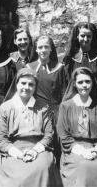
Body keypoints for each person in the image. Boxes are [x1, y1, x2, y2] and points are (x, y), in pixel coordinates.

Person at [0, 68, 58, 187]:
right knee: (16, 175)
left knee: (42, 167)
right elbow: (1, 140)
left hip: (38, 149)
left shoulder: (43, 107)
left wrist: (35, 150)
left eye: (31, 84)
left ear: (35, 87)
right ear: (16, 84)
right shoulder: (5, 108)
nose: (26, 87)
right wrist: (18, 154)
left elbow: (49, 135)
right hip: (12, 151)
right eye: (23, 83)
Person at [57, 67, 97, 187]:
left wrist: (96, 150)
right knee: (84, 166)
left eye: (88, 81)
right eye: (80, 82)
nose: (84, 85)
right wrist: (82, 152)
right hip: (73, 150)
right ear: (75, 85)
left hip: (95, 150)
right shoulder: (66, 106)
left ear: (92, 84)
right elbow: (64, 135)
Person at [27, 35, 68, 166]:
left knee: (58, 143)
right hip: (37, 112)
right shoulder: (30, 68)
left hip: (57, 112)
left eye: (46, 47)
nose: (43, 50)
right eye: (40, 47)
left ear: (51, 49)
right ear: (36, 50)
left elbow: (65, 92)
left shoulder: (60, 68)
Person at [63, 22, 97, 116]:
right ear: (77, 36)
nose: (85, 39)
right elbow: (67, 83)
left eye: (89, 36)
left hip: (96, 102)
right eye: (82, 35)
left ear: (93, 37)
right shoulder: (70, 58)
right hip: (75, 103)